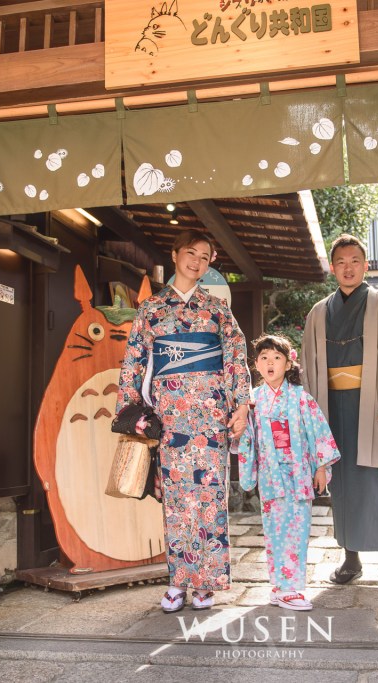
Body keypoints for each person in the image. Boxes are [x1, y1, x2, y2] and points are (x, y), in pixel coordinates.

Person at [116, 229, 251, 613]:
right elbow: (134, 363)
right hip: (170, 417)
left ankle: (205, 585)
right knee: (175, 501)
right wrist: (131, 414)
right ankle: (178, 582)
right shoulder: (151, 309)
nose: (196, 261)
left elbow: (235, 358)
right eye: (190, 253)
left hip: (210, 416)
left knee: (210, 499)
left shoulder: (217, 309)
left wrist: (240, 406)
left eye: (205, 257)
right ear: (175, 255)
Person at [301, 234, 378, 589]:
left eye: (355, 260)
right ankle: (350, 559)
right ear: (332, 269)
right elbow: (308, 365)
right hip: (331, 407)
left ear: (366, 265)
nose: (348, 267)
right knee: (343, 484)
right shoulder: (319, 312)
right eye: (341, 262)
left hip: (374, 406)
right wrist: (310, 416)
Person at [236, 335, 341, 611]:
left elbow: (317, 431)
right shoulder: (253, 400)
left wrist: (321, 466)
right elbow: (246, 438)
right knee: (273, 530)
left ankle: (291, 587)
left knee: (297, 528)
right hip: (271, 473)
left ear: (288, 363)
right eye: (264, 358)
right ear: (255, 364)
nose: (270, 363)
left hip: (298, 471)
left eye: (277, 358)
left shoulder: (300, 397)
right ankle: (281, 586)